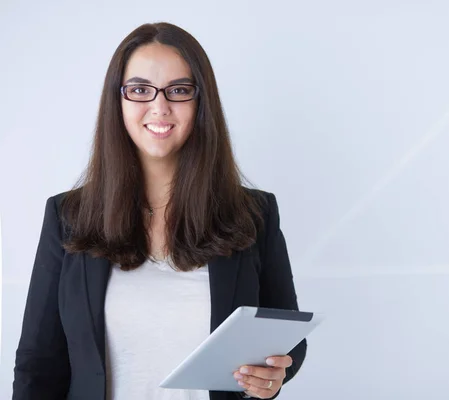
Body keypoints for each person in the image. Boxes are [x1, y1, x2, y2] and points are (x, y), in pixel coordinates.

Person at [12, 22, 306, 400]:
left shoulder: (254, 213)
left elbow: (287, 339)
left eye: (179, 90)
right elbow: (38, 362)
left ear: (202, 102)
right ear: (117, 101)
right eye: (139, 90)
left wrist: (273, 376)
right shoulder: (68, 216)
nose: (160, 107)